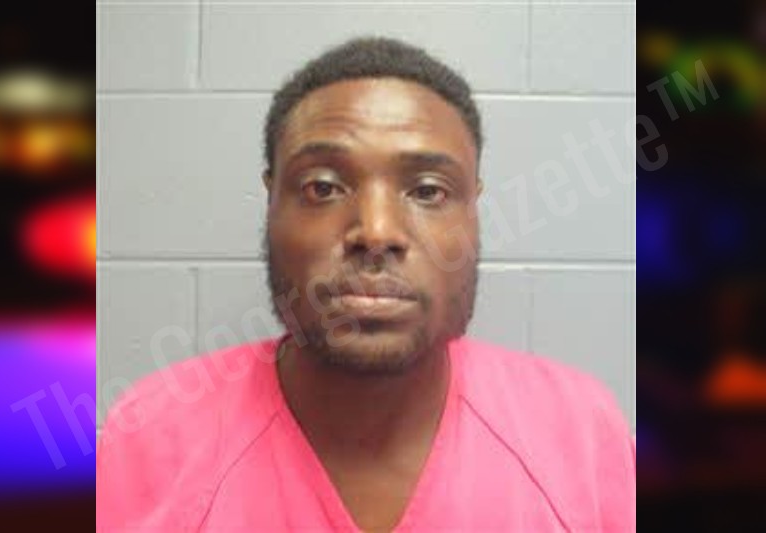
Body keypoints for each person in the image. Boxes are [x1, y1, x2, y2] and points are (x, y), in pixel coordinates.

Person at [97, 37, 635, 532]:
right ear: (272, 201)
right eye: (322, 187)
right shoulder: (150, 439)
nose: (376, 232)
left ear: (474, 206)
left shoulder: (582, 435)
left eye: (428, 191)